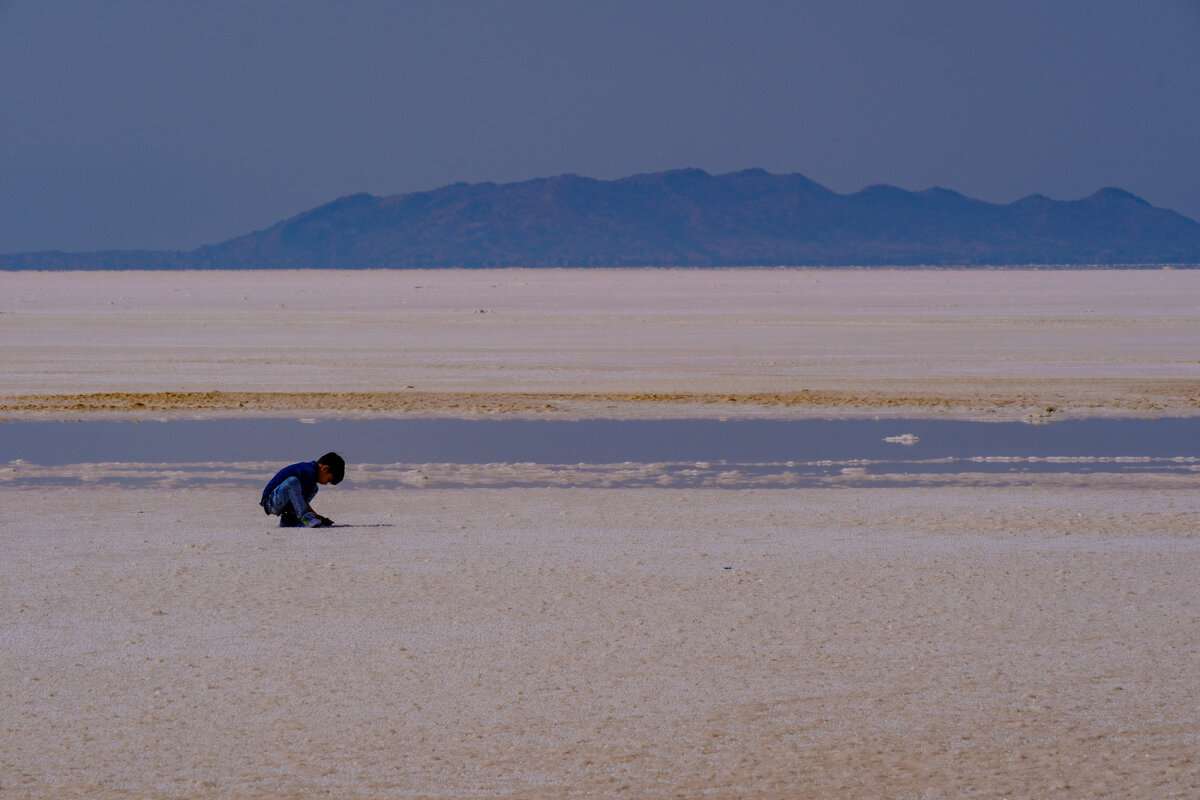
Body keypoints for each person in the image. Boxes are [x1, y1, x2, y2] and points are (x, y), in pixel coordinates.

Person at [260, 451, 345, 527]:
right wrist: (318, 517)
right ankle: (304, 518)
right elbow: (303, 501)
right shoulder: (308, 471)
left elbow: (301, 500)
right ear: (325, 468)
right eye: (329, 479)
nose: (326, 483)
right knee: (292, 482)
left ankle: (290, 519)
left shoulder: (311, 475)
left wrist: (318, 517)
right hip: (272, 502)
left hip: (280, 501)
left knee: (314, 488)